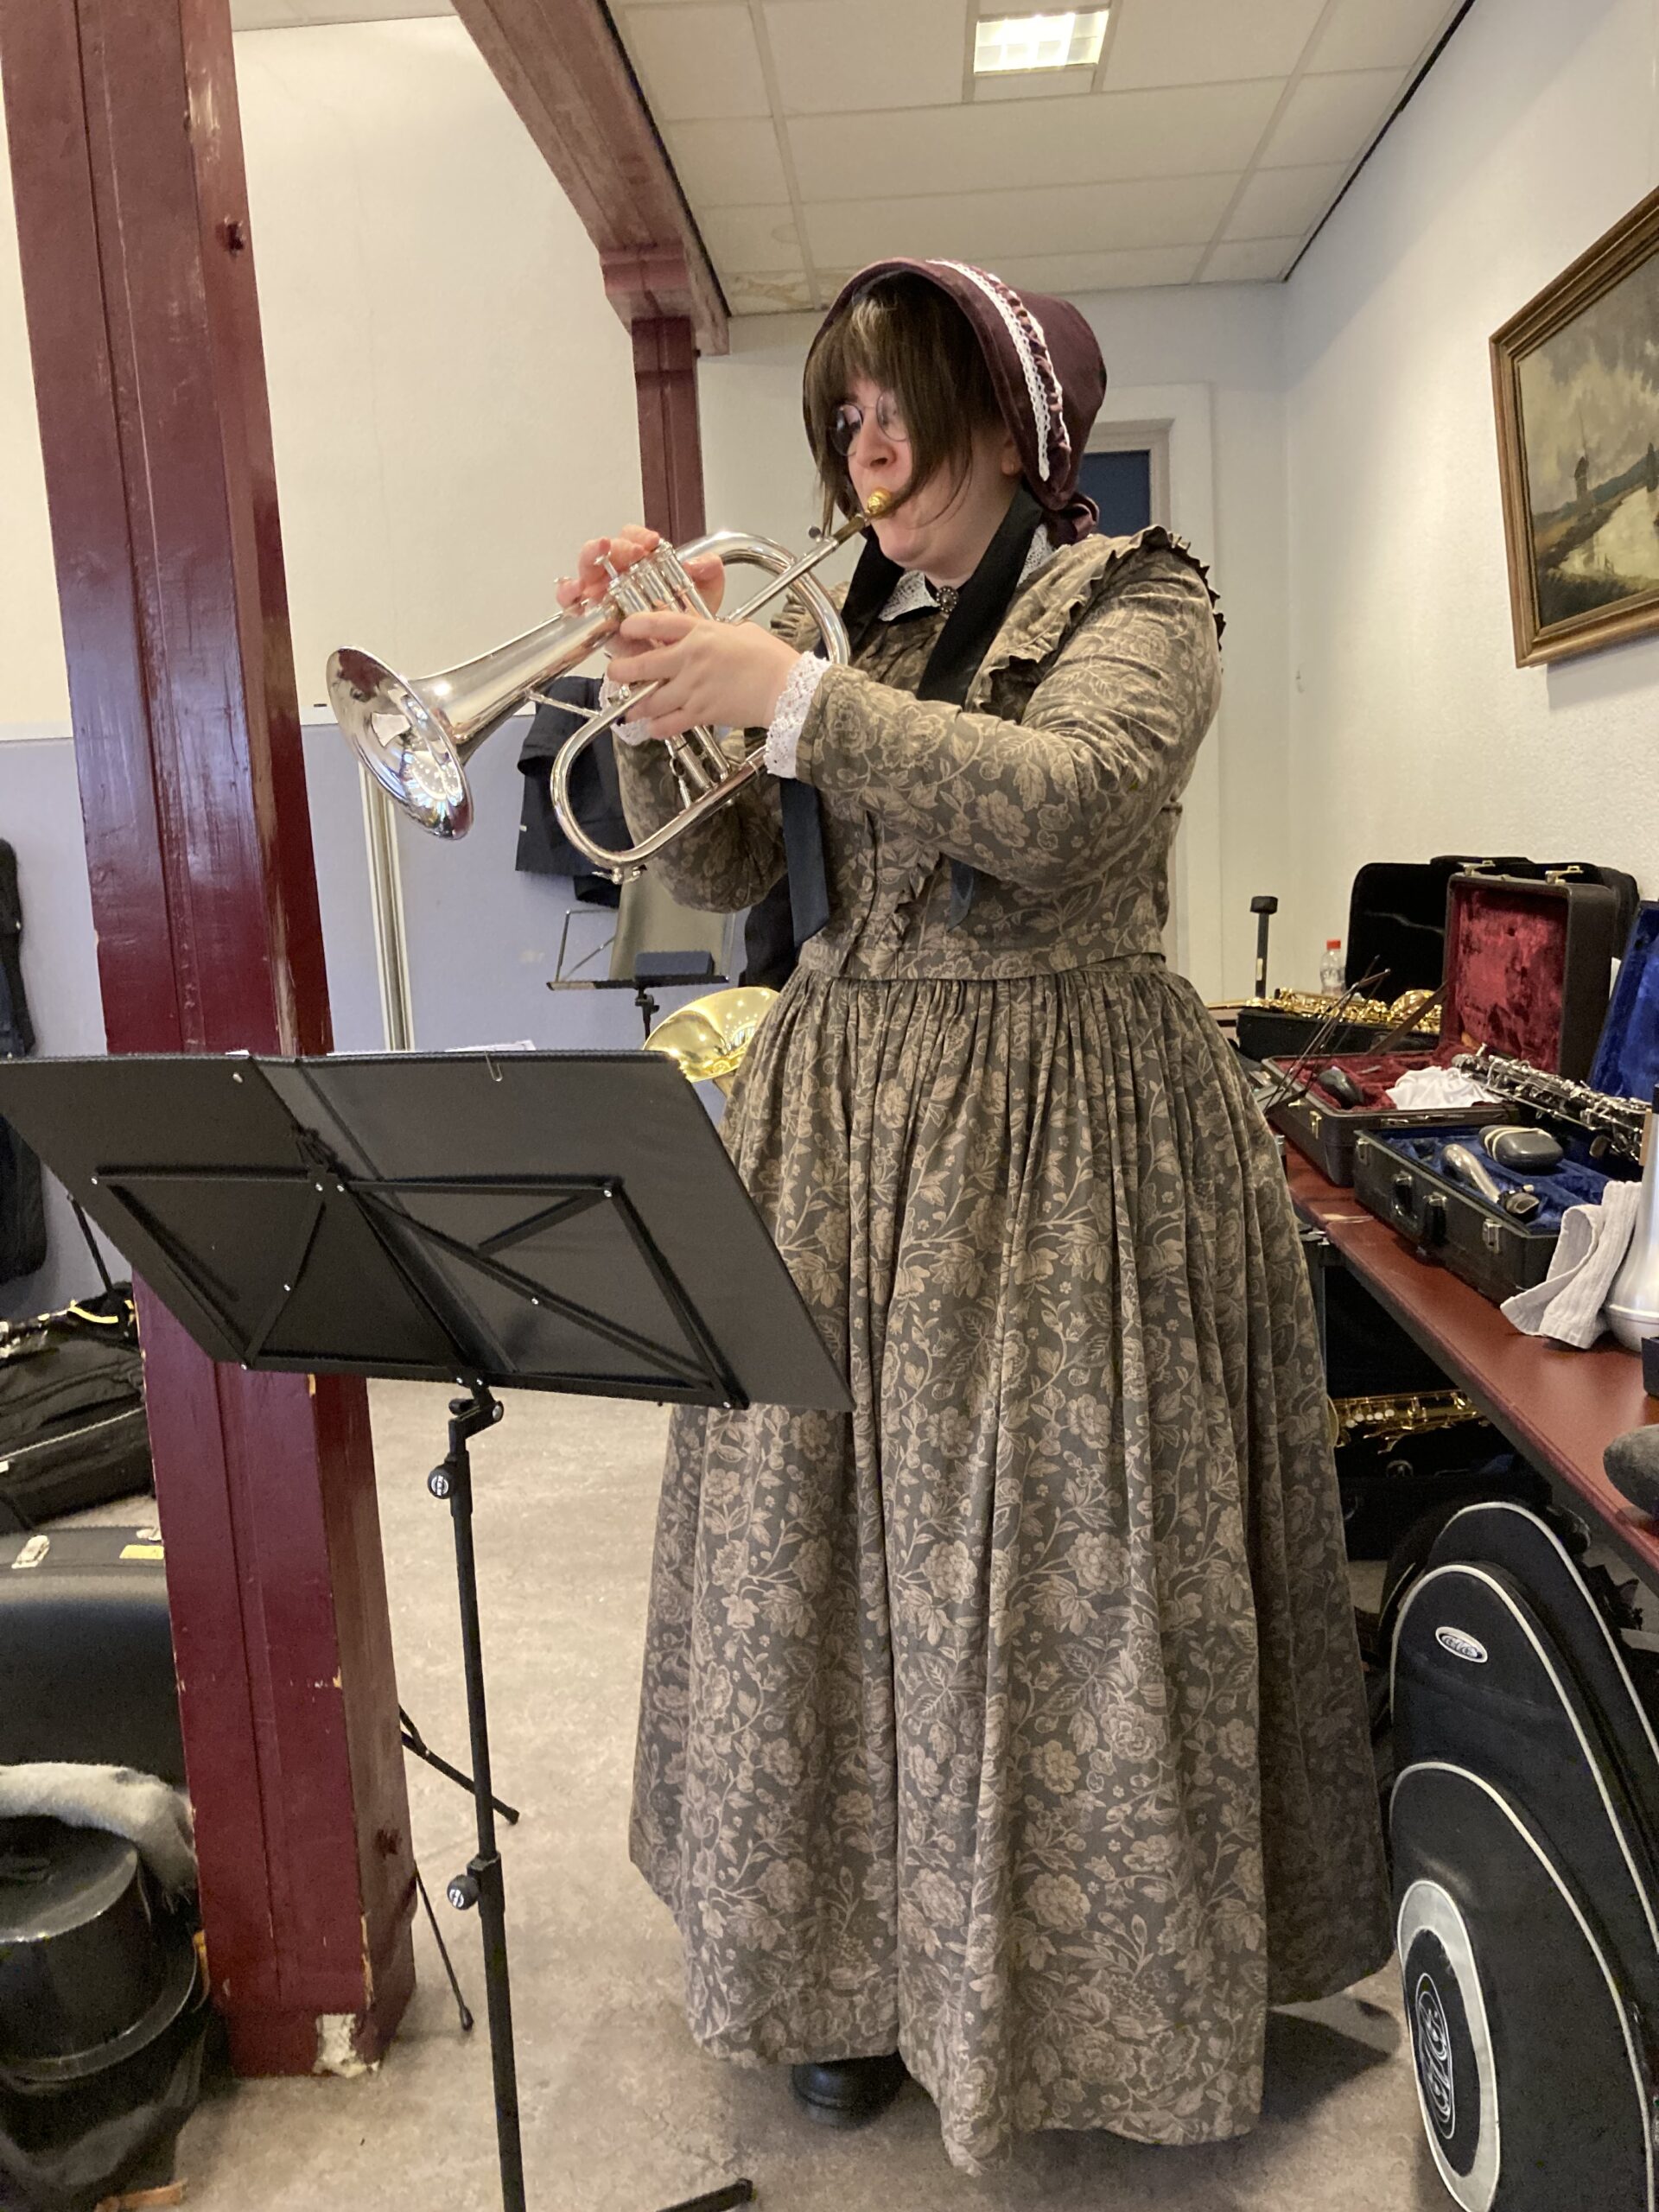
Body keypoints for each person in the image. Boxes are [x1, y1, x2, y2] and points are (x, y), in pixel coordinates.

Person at [556, 259, 1390, 2173]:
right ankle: (844, 1981)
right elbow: (736, 866)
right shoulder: (840, 615)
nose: (866, 448)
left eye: (899, 405)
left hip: (1067, 1127)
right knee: (825, 1542)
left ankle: (1094, 1998)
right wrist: (672, 691)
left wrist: (797, 693)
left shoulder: (1139, 594)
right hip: (845, 1117)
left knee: (1063, 1559)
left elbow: (1070, 802)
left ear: (1013, 425)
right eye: (843, 415)